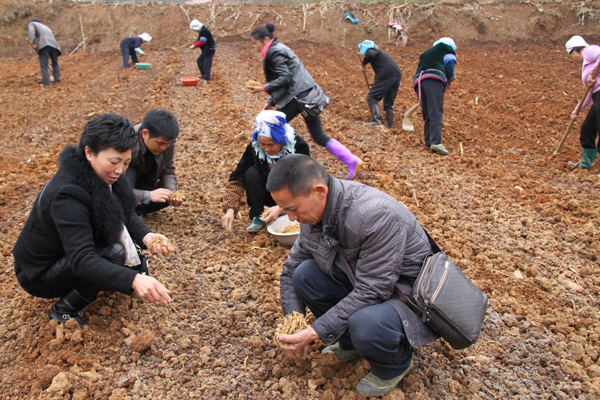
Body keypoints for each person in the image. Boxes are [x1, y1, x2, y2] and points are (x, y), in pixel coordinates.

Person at [267, 154, 439, 397]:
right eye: (286, 210)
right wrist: (293, 321)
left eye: (292, 209)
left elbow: (373, 290)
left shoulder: (374, 216)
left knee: (366, 324)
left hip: (407, 296)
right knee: (304, 274)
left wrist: (316, 331)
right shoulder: (312, 215)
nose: (291, 218)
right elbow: (290, 270)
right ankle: (350, 342)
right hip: (366, 283)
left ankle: (394, 364)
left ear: (319, 191)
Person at [12, 114, 174, 326]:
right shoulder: (68, 194)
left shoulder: (104, 174)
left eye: (126, 163)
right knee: (113, 252)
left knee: (116, 254)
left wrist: (147, 236)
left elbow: (125, 213)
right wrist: (132, 279)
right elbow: (82, 259)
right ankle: (64, 310)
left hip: (64, 254)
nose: (120, 170)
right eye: (114, 162)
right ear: (89, 152)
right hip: (38, 274)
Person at [247, 24, 363, 180]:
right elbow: (284, 79)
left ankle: (277, 171)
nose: (254, 47)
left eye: (256, 43)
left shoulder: (275, 52)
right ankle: (351, 160)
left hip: (298, 97)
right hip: (304, 96)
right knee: (318, 136)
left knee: (268, 128)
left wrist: (263, 88)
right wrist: (271, 101)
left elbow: (285, 78)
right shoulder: (277, 49)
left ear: (265, 39)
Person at [221, 110, 310, 232]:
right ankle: (259, 215)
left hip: (292, 192)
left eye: (271, 144)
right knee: (251, 173)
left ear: (281, 140)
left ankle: (291, 210)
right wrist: (230, 209)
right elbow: (237, 178)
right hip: (268, 193)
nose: (266, 148)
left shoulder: (298, 146)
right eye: (262, 143)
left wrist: (281, 207)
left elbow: (305, 179)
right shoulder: (254, 148)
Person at [126, 109, 183, 215]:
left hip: (144, 181)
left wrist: (172, 194)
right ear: (145, 134)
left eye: (168, 144)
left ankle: (129, 209)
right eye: (160, 143)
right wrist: (148, 196)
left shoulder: (167, 143)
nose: (163, 147)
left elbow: (168, 170)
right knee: (131, 172)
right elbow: (116, 186)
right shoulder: (129, 144)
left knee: (163, 198)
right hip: (126, 181)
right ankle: (125, 209)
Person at [413, 37, 457, 155]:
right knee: (436, 111)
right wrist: (450, 78)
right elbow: (450, 61)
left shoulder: (427, 53)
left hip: (419, 82)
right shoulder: (445, 47)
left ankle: (429, 143)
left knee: (427, 113)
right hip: (434, 80)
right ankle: (436, 142)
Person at [566, 35, 600, 172]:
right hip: (597, 96)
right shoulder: (587, 62)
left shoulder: (589, 50)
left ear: (576, 50)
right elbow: (588, 93)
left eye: (571, 55)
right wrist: (577, 110)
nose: (573, 59)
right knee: (587, 128)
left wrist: (591, 74)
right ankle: (586, 163)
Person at [358, 40, 402, 129]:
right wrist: (374, 85)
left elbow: (370, 55)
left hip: (387, 75)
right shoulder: (381, 56)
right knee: (389, 102)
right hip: (396, 75)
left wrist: (363, 63)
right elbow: (381, 74)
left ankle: (376, 121)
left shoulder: (372, 51)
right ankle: (388, 125)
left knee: (372, 97)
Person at [27, 18, 61, 87]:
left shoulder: (32, 24)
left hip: (44, 45)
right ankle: (57, 79)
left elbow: (31, 33)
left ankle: (47, 83)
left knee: (44, 65)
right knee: (55, 63)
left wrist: (32, 42)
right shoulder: (45, 27)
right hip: (54, 45)